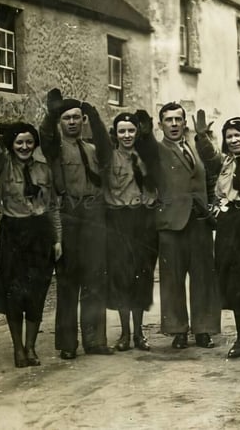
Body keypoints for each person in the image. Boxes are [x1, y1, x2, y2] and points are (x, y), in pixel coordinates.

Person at [0, 105, 62, 367]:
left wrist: (57, 239)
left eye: (29, 142)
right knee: (14, 294)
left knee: (36, 293)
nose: (24, 146)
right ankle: (17, 349)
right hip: (13, 233)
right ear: (11, 144)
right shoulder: (3, 166)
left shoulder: (44, 171)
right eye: (19, 142)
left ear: (34, 144)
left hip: (40, 233)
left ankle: (31, 347)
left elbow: (53, 207)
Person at [134, 105, 222, 349]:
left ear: (185, 123)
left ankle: (204, 330)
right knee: (172, 279)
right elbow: (144, 163)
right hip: (170, 222)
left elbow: (213, 172)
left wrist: (213, 204)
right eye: (168, 120)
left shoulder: (197, 147)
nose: (173, 124)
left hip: (200, 221)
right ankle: (178, 330)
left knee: (203, 277)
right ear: (160, 124)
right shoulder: (156, 150)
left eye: (178, 119)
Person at [39, 89, 112, 359]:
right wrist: (52, 112)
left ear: (83, 121)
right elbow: (45, 133)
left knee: (95, 278)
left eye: (77, 118)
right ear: (61, 122)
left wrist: (94, 115)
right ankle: (68, 344)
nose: (72, 122)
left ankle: (95, 340)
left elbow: (106, 148)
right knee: (68, 282)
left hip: (94, 213)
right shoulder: (55, 148)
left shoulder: (92, 148)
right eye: (66, 118)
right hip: (69, 212)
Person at [196, 117, 240, 359]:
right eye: (230, 136)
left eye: (239, 135)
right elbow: (208, 155)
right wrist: (203, 136)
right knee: (234, 281)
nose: (235, 140)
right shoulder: (225, 163)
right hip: (229, 223)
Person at [92, 111, 158, 352]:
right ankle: (125, 334)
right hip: (118, 220)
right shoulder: (109, 157)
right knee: (121, 276)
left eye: (131, 130)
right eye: (122, 131)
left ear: (137, 132)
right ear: (116, 134)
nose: (127, 135)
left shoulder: (146, 156)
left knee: (141, 275)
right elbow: (99, 139)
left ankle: (140, 333)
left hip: (143, 219)